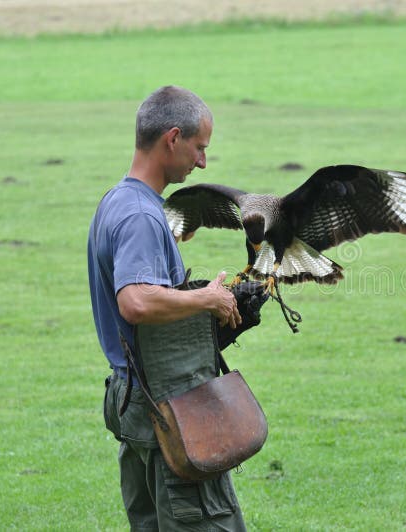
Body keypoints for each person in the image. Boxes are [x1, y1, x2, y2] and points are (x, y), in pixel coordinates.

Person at [88, 86, 247, 531]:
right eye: (200, 148)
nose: (203, 163)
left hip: (137, 407)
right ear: (172, 138)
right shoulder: (140, 215)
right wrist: (207, 298)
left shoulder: (118, 201)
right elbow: (135, 301)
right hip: (168, 411)